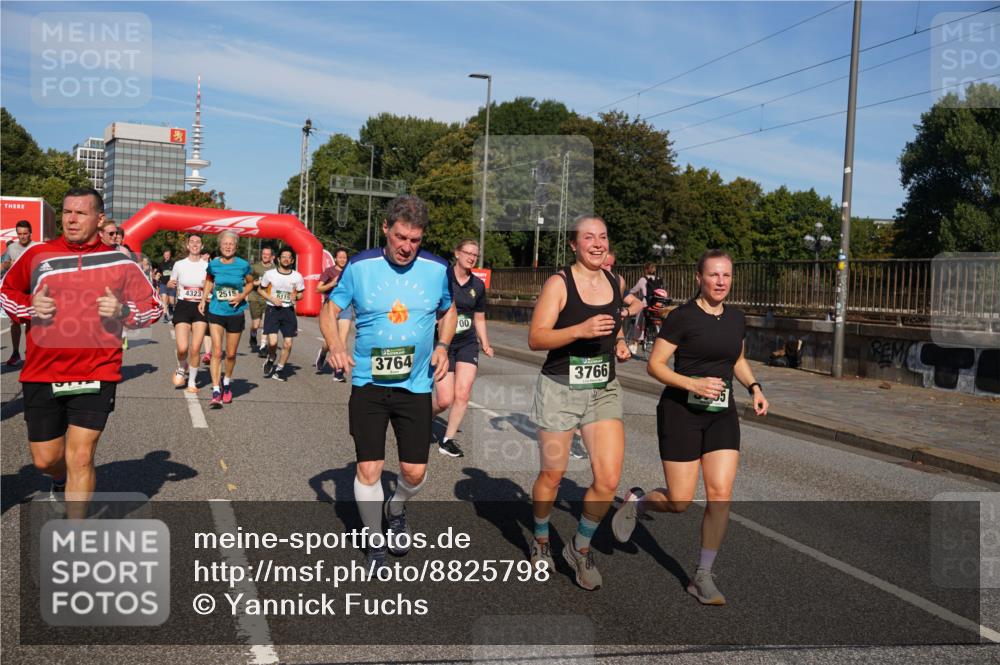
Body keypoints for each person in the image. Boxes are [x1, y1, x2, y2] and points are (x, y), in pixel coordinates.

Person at [612, 249, 769, 605]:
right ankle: (639, 503)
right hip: (681, 412)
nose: (720, 282)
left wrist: (754, 387)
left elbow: (737, 358)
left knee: (721, 494)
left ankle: (702, 576)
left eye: (726, 275)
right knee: (680, 500)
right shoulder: (682, 317)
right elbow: (655, 365)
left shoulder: (736, 318)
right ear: (699, 278)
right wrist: (693, 384)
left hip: (721, 414)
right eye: (713, 275)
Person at [0, 187, 162, 517]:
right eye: (67, 212)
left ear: (99, 219)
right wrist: (30, 306)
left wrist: (124, 311)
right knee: (46, 459)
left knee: (82, 456)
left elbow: (154, 307)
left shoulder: (120, 262)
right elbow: (6, 292)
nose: (71, 219)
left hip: (96, 370)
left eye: (81, 213)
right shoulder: (38, 255)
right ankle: (59, 479)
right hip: (43, 370)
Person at [321, 195, 456, 569]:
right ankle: (375, 541)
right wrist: (336, 345)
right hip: (369, 383)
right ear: (385, 228)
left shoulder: (436, 268)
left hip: (416, 385)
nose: (407, 247)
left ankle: (396, 508)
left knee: (414, 472)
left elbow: (449, 310)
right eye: (400, 237)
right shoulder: (360, 267)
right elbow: (329, 310)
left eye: (415, 240)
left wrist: (443, 345)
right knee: (369, 468)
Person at [527, 215, 631, 590]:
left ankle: (579, 548)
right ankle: (541, 539)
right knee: (552, 476)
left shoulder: (616, 282)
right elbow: (536, 338)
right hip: (560, 387)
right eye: (589, 237)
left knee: (608, 479)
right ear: (574, 244)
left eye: (603, 236)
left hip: (603, 388)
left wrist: (620, 341)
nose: (598, 243)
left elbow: (615, 322)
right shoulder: (559, 284)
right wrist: (579, 330)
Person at [431, 239, 494, 458]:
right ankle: (425, 417)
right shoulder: (442, 278)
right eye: (468, 253)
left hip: (467, 343)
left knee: (463, 393)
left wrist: (485, 343)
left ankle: (447, 440)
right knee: (444, 400)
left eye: (475, 255)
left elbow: (479, 317)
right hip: (443, 344)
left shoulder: (477, 285)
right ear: (457, 253)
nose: (471, 258)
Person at [199, 231, 254, 408]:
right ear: (220, 245)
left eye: (231, 244)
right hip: (216, 310)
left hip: (235, 312)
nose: (228, 246)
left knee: (230, 354)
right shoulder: (213, 264)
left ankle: (227, 382)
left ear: (236, 246)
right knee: (216, 352)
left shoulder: (243, 265)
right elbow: (209, 281)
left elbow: (250, 283)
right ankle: (216, 390)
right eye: (225, 243)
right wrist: (203, 299)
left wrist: (241, 296)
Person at [168, 234, 210, 391]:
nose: (195, 244)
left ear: (202, 246)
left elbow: (212, 285)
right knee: (182, 348)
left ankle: (192, 381)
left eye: (198, 242)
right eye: (192, 242)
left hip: (200, 306)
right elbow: (171, 281)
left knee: (195, 348)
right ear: (187, 245)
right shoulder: (179, 264)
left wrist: (208, 287)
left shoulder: (207, 265)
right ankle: (182, 366)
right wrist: (170, 284)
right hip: (183, 306)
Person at [259, 247, 305, 382]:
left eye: (288, 257)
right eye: (283, 256)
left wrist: (296, 297)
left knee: (288, 343)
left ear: (292, 260)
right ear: (278, 259)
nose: (286, 259)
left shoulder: (297, 276)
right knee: (273, 343)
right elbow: (260, 290)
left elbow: (301, 293)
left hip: (288, 311)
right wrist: (271, 298)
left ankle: (279, 369)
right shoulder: (270, 274)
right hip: (272, 309)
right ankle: (271, 358)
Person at [1, 220, 42, 366]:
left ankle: (30, 352)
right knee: (14, 321)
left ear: (30, 233)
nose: (23, 236)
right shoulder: (11, 248)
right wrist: (6, 265)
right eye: (20, 234)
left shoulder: (37, 247)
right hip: (17, 290)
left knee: (32, 320)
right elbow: (3, 267)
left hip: (33, 288)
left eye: (25, 233)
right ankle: (15, 353)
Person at [315, 247, 349, 380]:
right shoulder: (329, 271)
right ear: (335, 258)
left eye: (345, 257)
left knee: (342, 340)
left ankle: (338, 371)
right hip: (330, 307)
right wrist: (332, 284)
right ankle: (323, 352)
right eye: (340, 257)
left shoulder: (350, 271)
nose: (342, 260)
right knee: (330, 342)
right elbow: (318, 289)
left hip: (346, 307)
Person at [247, 245, 275, 356]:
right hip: (255, 297)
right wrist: (256, 283)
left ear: (272, 256)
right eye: (264, 254)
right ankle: (253, 335)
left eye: (268, 254)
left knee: (265, 323)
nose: (265, 256)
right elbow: (248, 281)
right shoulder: (255, 267)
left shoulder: (275, 269)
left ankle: (263, 346)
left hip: (268, 298)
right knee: (256, 325)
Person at [154, 249, 176, 323]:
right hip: (163, 284)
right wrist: (157, 276)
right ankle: (165, 316)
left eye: (168, 255)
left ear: (170, 255)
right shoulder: (161, 264)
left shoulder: (174, 263)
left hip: (172, 284)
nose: (167, 256)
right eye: (165, 255)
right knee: (164, 300)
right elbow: (158, 272)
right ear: (163, 255)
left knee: (172, 301)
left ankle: (171, 308)